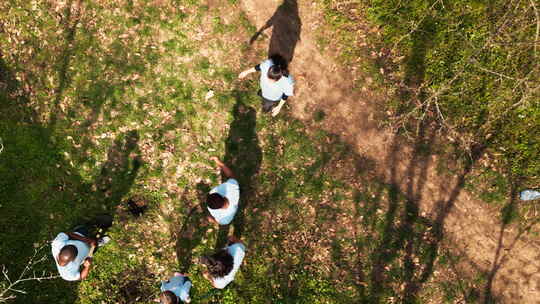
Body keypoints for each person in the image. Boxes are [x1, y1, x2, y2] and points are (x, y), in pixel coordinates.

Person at [206, 157, 239, 225]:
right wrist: (219, 163)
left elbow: (219, 223)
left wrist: (212, 220)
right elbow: (231, 176)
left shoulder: (224, 220)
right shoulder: (232, 187)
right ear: (222, 196)